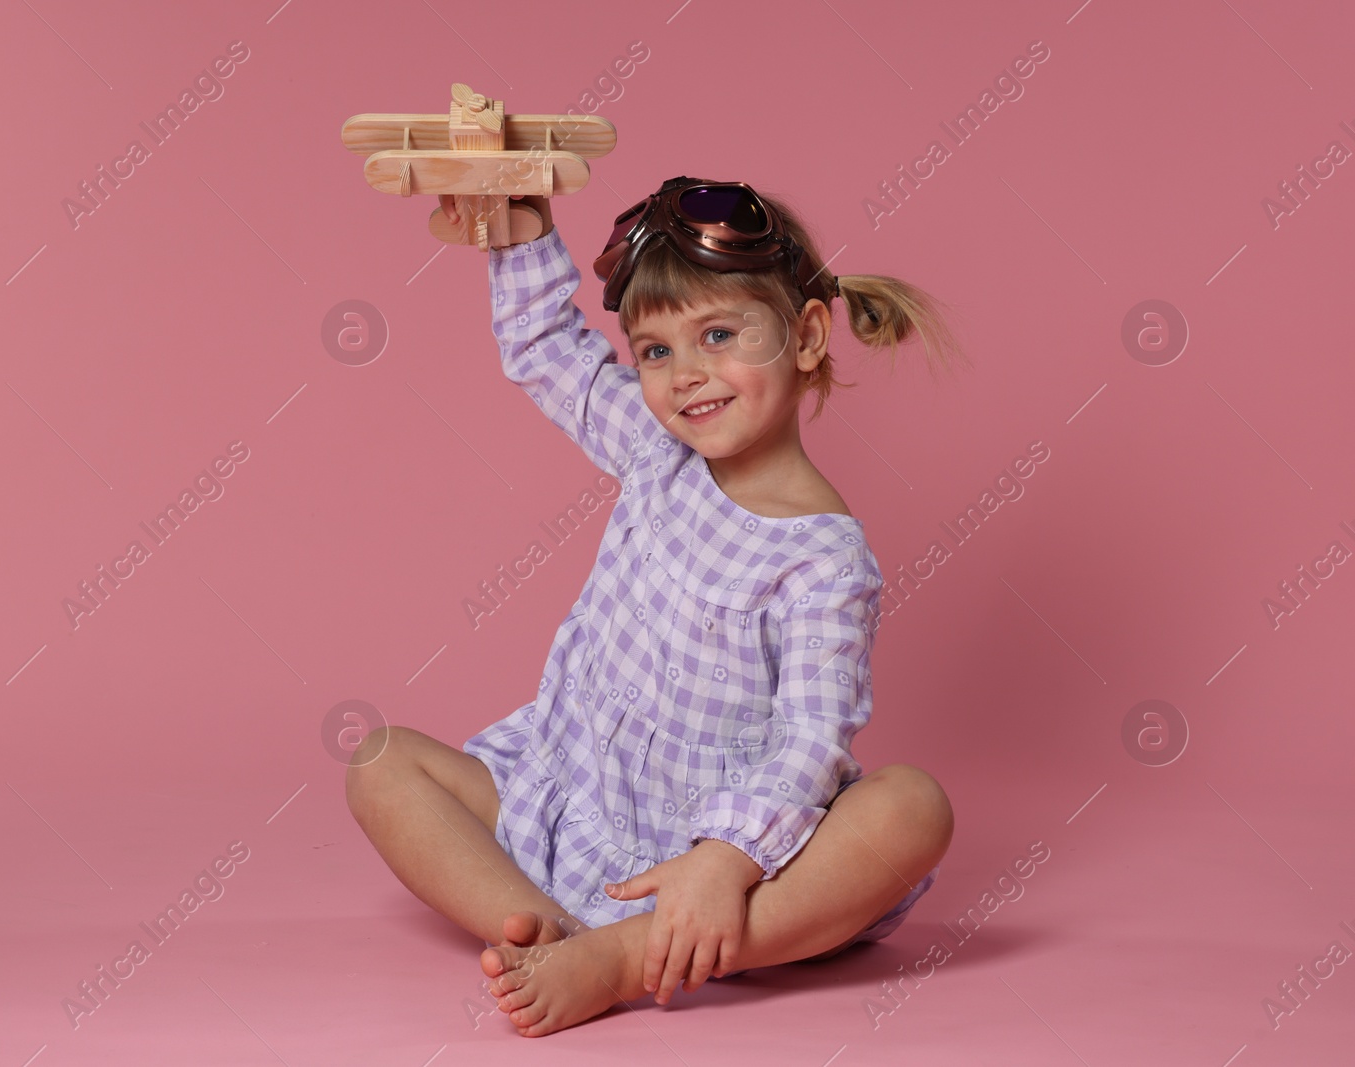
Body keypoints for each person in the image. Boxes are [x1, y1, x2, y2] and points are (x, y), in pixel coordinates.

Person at [346, 176, 964, 1038]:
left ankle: (629, 956)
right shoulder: (654, 451)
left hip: (742, 872)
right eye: (656, 352)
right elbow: (547, 348)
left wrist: (724, 859)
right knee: (380, 763)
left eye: (717, 335)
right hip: (584, 808)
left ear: (810, 336)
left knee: (910, 809)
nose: (687, 376)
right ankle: (545, 931)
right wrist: (519, 234)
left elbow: (809, 744)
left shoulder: (823, 558)